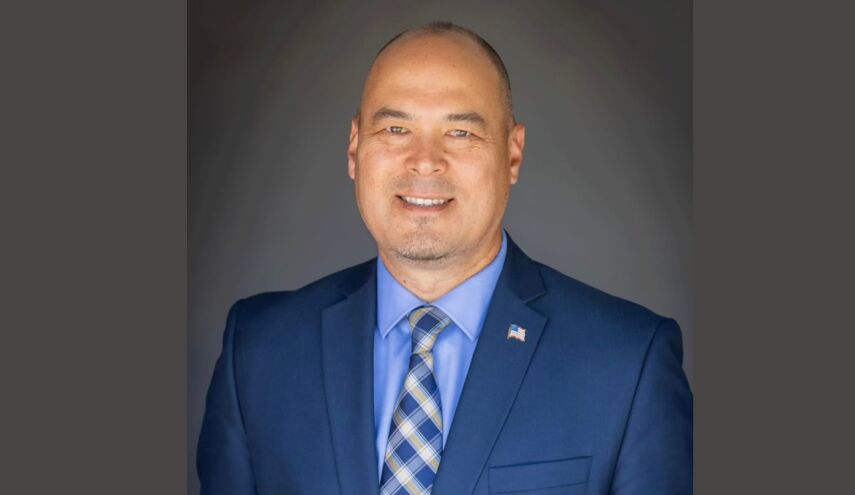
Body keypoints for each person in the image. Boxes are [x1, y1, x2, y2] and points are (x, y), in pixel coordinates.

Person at [197, 21, 692, 495]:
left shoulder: (628, 363)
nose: (425, 160)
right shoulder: (258, 351)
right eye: (394, 128)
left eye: (461, 133)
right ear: (354, 149)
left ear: (513, 155)